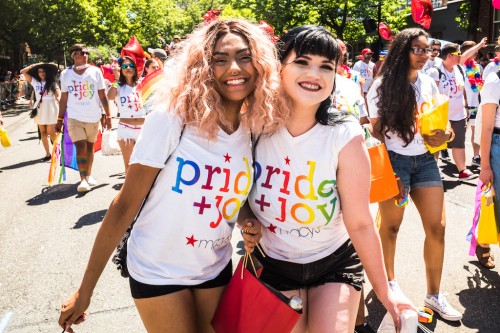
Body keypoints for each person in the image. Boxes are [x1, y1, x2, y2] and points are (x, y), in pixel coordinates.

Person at [58, 19, 283, 333]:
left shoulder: (254, 126)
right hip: (156, 269)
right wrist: (85, 291)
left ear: (259, 65)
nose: (234, 67)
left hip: (213, 267)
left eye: (245, 57)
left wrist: (247, 219)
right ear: (202, 67)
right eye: (220, 59)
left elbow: (236, 195)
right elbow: (123, 206)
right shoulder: (172, 117)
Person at [243, 25, 413, 333]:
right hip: (271, 265)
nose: (315, 74)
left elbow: (360, 222)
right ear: (279, 66)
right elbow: (235, 191)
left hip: (334, 264)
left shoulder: (344, 133)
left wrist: (387, 293)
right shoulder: (253, 125)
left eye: (326, 66)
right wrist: (246, 219)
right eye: (302, 61)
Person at [367, 27, 462, 321]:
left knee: (438, 228)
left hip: (426, 161)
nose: (424, 55)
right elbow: (376, 132)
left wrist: (445, 134)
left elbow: (440, 124)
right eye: (417, 49)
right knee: (391, 228)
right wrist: (388, 174)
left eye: (428, 50)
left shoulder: (428, 82)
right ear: (402, 50)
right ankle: (389, 286)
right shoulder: (382, 86)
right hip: (395, 162)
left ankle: (433, 296)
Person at [55, 44, 112, 193]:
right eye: (81, 53)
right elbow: (64, 98)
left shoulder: (95, 71)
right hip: (74, 117)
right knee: (80, 147)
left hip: (93, 116)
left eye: (86, 53)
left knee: (89, 148)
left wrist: (108, 115)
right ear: (74, 56)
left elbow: (102, 95)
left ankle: (89, 174)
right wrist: (60, 119)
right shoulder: (65, 74)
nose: (85, 55)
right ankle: (83, 180)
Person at [427, 43, 475, 180]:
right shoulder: (435, 71)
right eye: (458, 54)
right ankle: (433, 172)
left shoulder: (459, 69)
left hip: (458, 115)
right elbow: (430, 95)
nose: (460, 57)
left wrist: (465, 106)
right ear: (449, 56)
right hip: (441, 116)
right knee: (436, 144)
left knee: (459, 143)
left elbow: (462, 90)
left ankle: (462, 171)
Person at [477, 68, 500, 269]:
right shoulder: (494, 81)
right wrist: (485, 166)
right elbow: (486, 127)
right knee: (496, 203)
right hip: (498, 146)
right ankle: (483, 242)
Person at [108, 56, 146, 174]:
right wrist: (115, 78)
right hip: (125, 129)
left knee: (144, 162)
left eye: (131, 66)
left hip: (143, 129)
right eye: (125, 66)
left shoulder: (142, 84)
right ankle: (130, 190)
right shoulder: (118, 86)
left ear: (135, 68)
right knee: (129, 163)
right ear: (121, 69)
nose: (128, 68)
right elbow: (110, 97)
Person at [21, 63, 61, 160]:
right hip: (39, 109)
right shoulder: (35, 82)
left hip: (51, 108)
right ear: (37, 73)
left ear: (47, 73)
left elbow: (58, 96)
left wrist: (63, 108)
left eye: (43, 71)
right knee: (43, 133)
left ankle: (57, 152)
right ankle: (47, 154)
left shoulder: (53, 83)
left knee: (51, 132)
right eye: (39, 72)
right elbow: (23, 71)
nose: (42, 73)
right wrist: (36, 64)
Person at [461, 40, 486, 166]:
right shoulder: (460, 65)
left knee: (476, 131)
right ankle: (460, 160)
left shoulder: (477, 67)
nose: (476, 52)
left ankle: (476, 156)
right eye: (473, 50)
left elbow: (479, 87)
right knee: (460, 134)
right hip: (462, 105)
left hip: (475, 104)